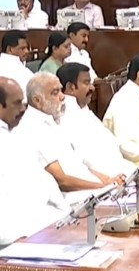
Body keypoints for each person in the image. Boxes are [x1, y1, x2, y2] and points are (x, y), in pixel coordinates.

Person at [0, 77, 68, 245]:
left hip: (29, 215)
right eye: (17, 103)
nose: (23, 109)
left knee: (77, 223)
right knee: (61, 237)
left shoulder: (10, 129)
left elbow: (39, 175)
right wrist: (20, 234)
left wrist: (63, 210)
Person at [17, 73, 118, 202]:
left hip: (92, 190)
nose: (62, 96)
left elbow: (81, 166)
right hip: (74, 199)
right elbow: (62, 181)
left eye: (60, 90)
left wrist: (109, 180)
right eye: (55, 92)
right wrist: (103, 187)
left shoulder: (55, 121)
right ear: (37, 100)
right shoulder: (34, 128)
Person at [56, 63, 134, 177]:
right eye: (86, 83)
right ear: (70, 88)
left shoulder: (83, 109)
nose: (92, 88)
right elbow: (90, 162)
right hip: (107, 180)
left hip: (120, 170)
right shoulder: (66, 118)